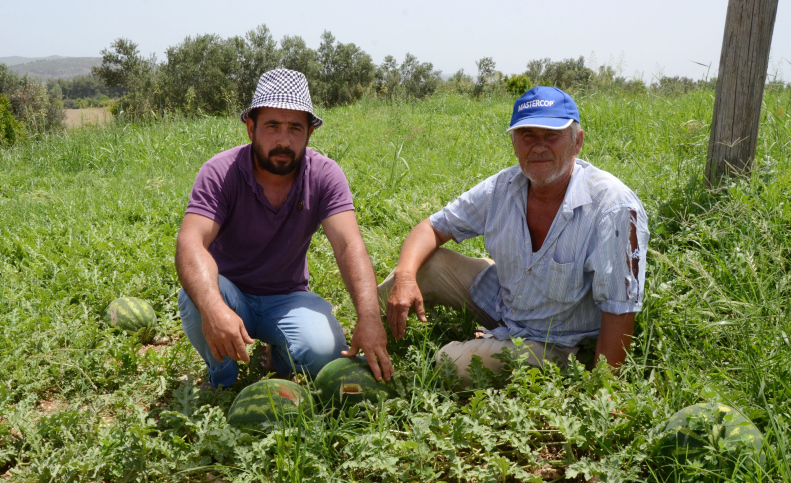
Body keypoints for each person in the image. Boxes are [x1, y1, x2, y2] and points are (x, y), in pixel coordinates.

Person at [381, 86, 649, 379]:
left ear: (577, 142)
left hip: (560, 341)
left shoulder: (613, 207)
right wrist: (406, 278)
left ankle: (486, 346)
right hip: (506, 300)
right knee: (412, 272)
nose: (538, 146)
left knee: (452, 365)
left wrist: (603, 393)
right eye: (527, 136)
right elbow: (432, 227)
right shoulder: (504, 187)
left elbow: (620, 309)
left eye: (551, 135)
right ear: (514, 142)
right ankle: (364, 337)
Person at [176, 69, 392, 388]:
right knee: (198, 297)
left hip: (287, 297)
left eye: (295, 128)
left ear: (309, 134)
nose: (283, 140)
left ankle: (276, 356)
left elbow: (349, 245)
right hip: (231, 294)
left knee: (324, 351)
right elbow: (191, 242)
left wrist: (370, 316)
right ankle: (222, 382)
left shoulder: (324, 175)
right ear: (251, 128)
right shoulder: (220, 172)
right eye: (272, 126)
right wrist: (213, 307)